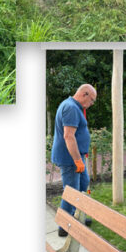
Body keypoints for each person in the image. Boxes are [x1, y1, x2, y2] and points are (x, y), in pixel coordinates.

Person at [51, 83, 97, 237]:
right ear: (85, 94)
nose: (91, 104)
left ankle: (78, 216)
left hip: (77, 157)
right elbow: (68, 136)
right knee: (71, 191)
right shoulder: (70, 108)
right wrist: (77, 161)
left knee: (84, 183)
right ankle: (64, 226)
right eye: (92, 100)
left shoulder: (74, 107)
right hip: (70, 159)